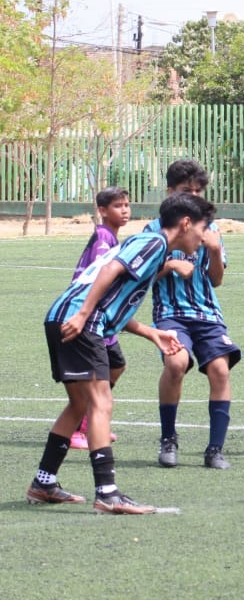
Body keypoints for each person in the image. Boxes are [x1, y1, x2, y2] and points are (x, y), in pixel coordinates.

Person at [26, 192, 215, 514]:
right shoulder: (153, 243)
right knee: (101, 402)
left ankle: (44, 483)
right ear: (185, 223)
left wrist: (150, 332)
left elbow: (114, 301)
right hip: (79, 321)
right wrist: (84, 314)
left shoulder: (155, 250)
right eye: (202, 228)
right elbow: (109, 271)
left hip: (65, 316)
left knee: (81, 403)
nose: (204, 236)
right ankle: (107, 494)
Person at [148, 159, 242, 470]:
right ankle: (168, 438)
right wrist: (171, 265)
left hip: (207, 314)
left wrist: (214, 251)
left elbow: (216, 280)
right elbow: (139, 275)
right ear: (170, 192)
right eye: (187, 191)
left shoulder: (210, 228)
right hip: (171, 313)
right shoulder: (152, 230)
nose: (195, 197)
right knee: (176, 363)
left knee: (220, 369)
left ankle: (215, 449)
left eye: (199, 191)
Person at [68, 186, 131, 450]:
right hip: (88, 317)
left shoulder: (110, 237)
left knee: (115, 365)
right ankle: (79, 428)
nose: (125, 210)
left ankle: (93, 420)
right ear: (102, 211)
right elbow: (100, 277)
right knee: (95, 376)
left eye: (127, 205)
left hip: (102, 320)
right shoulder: (103, 239)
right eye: (118, 206)